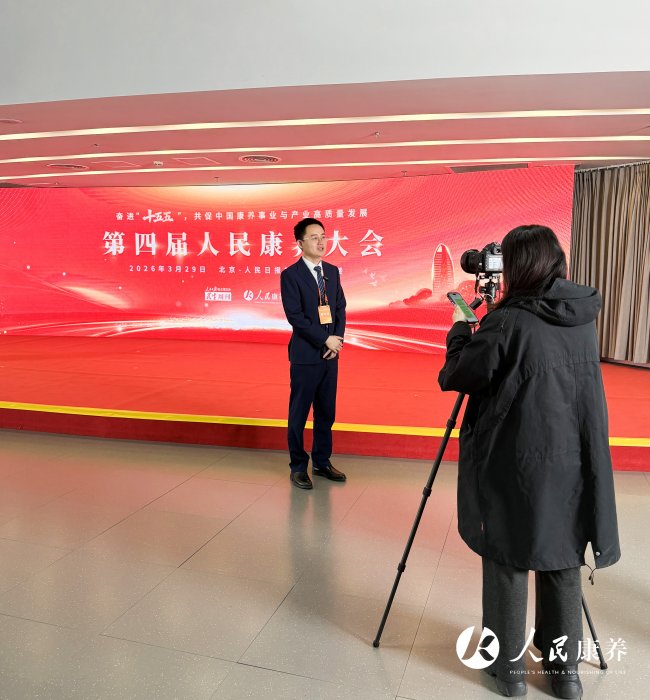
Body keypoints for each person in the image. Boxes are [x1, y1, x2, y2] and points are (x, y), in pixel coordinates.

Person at [438, 225, 620, 699]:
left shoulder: (507, 321)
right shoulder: (581, 317)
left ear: (517, 266)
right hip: (571, 460)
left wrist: (460, 329)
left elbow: (459, 374)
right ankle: (565, 675)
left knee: (508, 556)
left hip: (514, 459)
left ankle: (510, 672)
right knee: (561, 557)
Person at [280, 218, 347, 490]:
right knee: (299, 414)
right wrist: (324, 339)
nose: (321, 242)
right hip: (306, 356)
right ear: (300, 243)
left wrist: (336, 341)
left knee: (326, 412)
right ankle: (298, 466)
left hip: (331, 355)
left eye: (323, 236)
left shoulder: (332, 271)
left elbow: (340, 307)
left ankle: (321, 461)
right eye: (314, 237)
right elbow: (295, 317)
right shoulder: (291, 275)